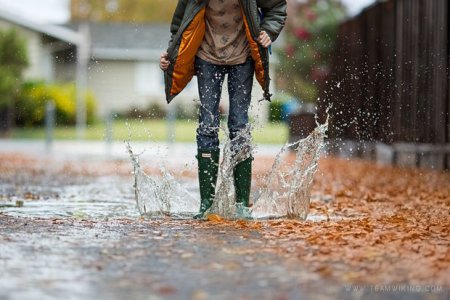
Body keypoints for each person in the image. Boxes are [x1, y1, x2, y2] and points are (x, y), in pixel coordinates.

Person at [160, 0, 287, 219]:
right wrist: (171, 54)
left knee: (239, 125)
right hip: (206, 57)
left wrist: (269, 30)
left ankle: (241, 205)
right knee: (207, 125)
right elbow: (180, 25)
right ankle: (207, 205)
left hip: (242, 57)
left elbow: (276, 7)